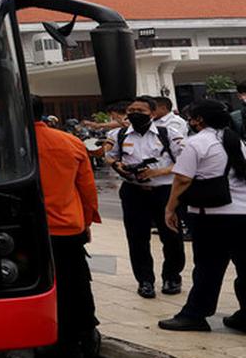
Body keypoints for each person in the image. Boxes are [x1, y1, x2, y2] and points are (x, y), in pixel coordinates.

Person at [158, 100, 246, 332]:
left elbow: (182, 179)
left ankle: (194, 314)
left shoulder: (197, 143)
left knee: (208, 267)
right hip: (242, 214)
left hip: (211, 216)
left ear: (199, 120)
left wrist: (170, 209)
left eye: (192, 116)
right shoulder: (236, 141)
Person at [31, 95, 102, 358]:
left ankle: (55, 336)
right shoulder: (70, 142)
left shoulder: (11, 146)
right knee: (78, 280)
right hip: (68, 227)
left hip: (31, 231)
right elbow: (87, 189)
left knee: (44, 286)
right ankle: (86, 331)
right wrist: (85, 222)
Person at [103, 96, 186, 298]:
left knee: (171, 236)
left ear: (153, 113)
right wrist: (117, 166)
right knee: (137, 239)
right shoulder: (118, 134)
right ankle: (145, 281)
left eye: (140, 111)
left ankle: (172, 277)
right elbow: (108, 155)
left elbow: (185, 163)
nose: (134, 114)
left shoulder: (169, 134)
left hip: (164, 192)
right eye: (131, 110)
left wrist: (157, 172)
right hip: (133, 192)